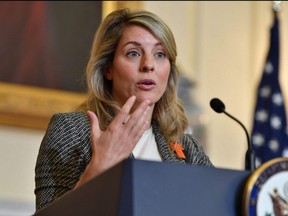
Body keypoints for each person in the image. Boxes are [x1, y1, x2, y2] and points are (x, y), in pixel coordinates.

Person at [34, 8, 214, 211]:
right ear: (108, 68)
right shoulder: (72, 130)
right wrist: (97, 170)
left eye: (160, 54)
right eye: (134, 53)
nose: (148, 65)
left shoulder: (186, 147)